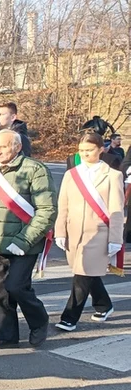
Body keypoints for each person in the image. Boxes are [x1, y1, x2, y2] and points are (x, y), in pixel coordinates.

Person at [0, 129, 56, 349]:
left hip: (25, 245)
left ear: (17, 147)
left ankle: (39, 321)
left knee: (17, 287)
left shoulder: (35, 170)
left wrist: (23, 241)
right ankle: (6, 336)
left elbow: (46, 210)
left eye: (4, 146)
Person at [54, 132, 125, 331]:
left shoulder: (113, 176)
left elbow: (116, 209)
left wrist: (115, 238)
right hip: (74, 232)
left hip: (99, 233)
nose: (85, 154)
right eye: (82, 150)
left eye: (90, 150)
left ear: (101, 149)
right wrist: (60, 231)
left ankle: (69, 317)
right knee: (87, 272)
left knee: (82, 274)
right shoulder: (72, 174)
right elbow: (63, 205)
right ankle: (104, 305)